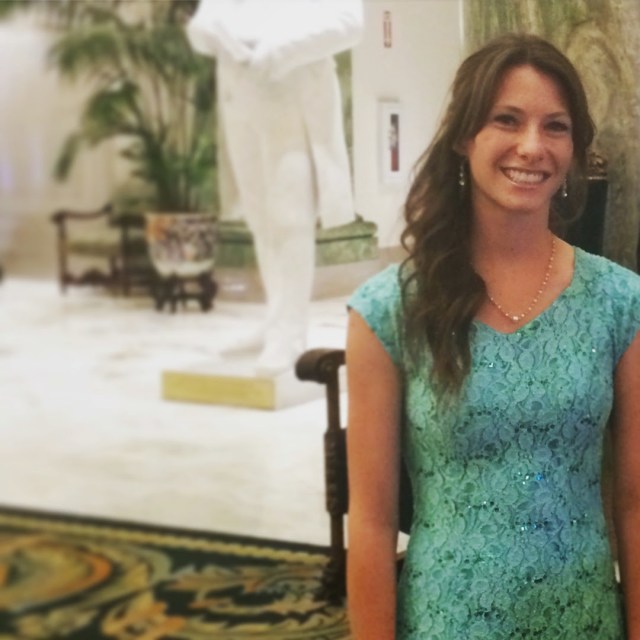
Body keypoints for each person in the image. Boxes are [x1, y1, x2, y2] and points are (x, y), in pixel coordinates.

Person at [346, 33, 640, 639]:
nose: (532, 146)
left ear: (574, 148)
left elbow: (636, 502)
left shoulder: (620, 303)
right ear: (464, 136)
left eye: (555, 126)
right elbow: (371, 523)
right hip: (447, 623)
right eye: (506, 119)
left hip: (582, 622)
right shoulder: (390, 310)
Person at [186, 0, 363, 376]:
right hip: (240, 98)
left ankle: (290, 331)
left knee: (290, 218)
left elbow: (349, 22)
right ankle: (275, 319)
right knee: (260, 220)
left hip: (292, 98)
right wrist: (213, 33)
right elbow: (202, 24)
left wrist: (280, 50)